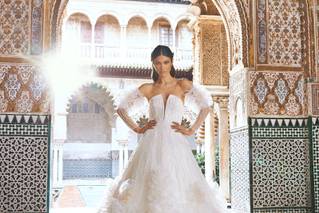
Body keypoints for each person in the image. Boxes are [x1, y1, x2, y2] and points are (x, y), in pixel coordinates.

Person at [98, 45, 228, 213]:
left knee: (180, 184)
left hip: (176, 143)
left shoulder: (182, 85)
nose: (162, 67)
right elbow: (121, 108)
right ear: (153, 64)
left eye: (166, 62)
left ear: (171, 62)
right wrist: (137, 128)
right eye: (158, 63)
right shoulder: (148, 88)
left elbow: (205, 106)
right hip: (151, 144)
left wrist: (192, 129)